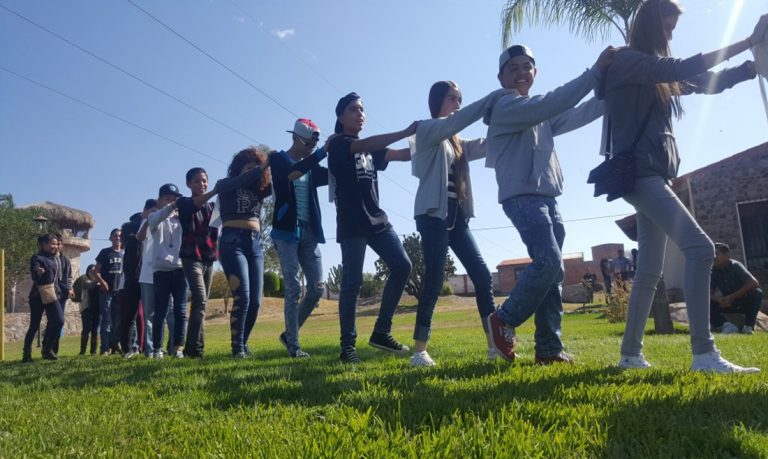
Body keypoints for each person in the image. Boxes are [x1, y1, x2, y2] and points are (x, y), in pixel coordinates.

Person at [602, 0, 766, 372]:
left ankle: (629, 355)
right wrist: (746, 40)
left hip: (651, 178)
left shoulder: (655, 75)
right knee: (701, 250)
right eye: (667, 27)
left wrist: (750, 67)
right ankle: (704, 353)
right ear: (649, 25)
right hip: (640, 178)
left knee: (648, 272)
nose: (670, 35)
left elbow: (704, 82)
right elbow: (685, 66)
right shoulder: (631, 62)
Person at [484, 44, 614, 365]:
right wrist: (594, 73)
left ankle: (548, 350)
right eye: (512, 68)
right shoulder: (505, 106)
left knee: (552, 274)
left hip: (548, 198)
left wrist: (617, 92)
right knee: (549, 261)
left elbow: (578, 113)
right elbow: (558, 100)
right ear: (501, 77)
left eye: (527, 66)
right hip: (522, 197)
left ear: (535, 72)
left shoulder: (539, 113)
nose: (521, 72)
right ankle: (504, 319)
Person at [409, 81, 503, 367]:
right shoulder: (427, 130)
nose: (458, 104)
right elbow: (456, 122)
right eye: (453, 98)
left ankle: (493, 346)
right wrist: (491, 100)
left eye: (461, 99)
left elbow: (489, 144)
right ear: (437, 100)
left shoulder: (458, 142)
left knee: (482, 276)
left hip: (457, 216)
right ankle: (420, 351)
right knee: (435, 278)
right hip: (432, 214)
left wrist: (508, 118)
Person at [328, 92, 417, 364]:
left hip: (377, 220)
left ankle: (381, 332)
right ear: (341, 117)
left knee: (403, 266)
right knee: (352, 284)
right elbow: (366, 144)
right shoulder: (339, 144)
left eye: (362, 109)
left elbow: (401, 154)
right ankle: (348, 347)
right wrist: (405, 130)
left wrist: (431, 139)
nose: (360, 114)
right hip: (352, 222)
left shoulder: (370, 148)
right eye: (354, 109)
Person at [271, 119, 330, 358]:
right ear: (295, 138)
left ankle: (288, 333)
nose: (310, 149)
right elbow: (291, 175)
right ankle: (294, 346)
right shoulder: (278, 159)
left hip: (310, 230)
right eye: (307, 144)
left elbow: (328, 175)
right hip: (286, 231)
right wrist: (322, 153)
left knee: (317, 288)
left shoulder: (311, 162)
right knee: (294, 287)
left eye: (314, 145)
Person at [216, 146, 272, 358]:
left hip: (255, 244)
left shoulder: (261, 188)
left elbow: (287, 177)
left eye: (257, 167)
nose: (253, 171)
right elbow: (242, 180)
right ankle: (237, 348)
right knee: (243, 296)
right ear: (238, 168)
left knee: (256, 302)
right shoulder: (226, 184)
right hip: (232, 241)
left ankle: (243, 343)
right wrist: (264, 166)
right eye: (248, 167)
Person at [177, 167, 219, 358]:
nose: (201, 184)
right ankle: (192, 350)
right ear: (188, 184)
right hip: (191, 257)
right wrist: (215, 191)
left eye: (204, 181)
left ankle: (196, 349)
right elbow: (193, 206)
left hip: (209, 259)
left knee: (200, 303)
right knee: (200, 299)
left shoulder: (213, 207)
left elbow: (218, 227)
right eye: (196, 181)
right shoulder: (183, 203)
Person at [148, 184, 188, 359]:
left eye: (174, 199)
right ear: (159, 200)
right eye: (167, 198)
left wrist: (181, 213)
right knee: (161, 311)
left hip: (180, 269)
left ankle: (178, 347)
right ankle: (157, 348)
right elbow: (156, 219)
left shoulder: (182, 219)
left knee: (180, 311)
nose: (172, 202)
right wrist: (172, 207)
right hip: (161, 271)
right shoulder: (154, 217)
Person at [22, 234, 64, 362]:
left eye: (56, 244)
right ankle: (26, 354)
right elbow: (35, 274)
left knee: (59, 320)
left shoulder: (56, 259)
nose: (54, 246)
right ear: (44, 244)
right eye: (52, 243)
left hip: (52, 294)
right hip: (38, 296)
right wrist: (38, 272)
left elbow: (57, 279)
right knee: (34, 325)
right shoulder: (37, 258)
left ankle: (47, 348)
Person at [120, 203, 153, 359]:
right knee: (130, 315)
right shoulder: (128, 227)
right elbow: (134, 241)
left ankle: (149, 346)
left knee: (149, 315)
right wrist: (146, 221)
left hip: (150, 274)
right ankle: (127, 348)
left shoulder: (157, 225)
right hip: (133, 276)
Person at [710, 243, 763, 335]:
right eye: (712, 255)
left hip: (743, 302)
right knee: (705, 301)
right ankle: (726, 326)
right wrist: (719, 300)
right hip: (728, 304)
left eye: (716, 254)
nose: (713, 257)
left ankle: (748, 327)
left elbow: (754, 283)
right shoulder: (713, 271)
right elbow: (708, 293)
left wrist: (732, 296)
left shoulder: (736, 266)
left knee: (757, 292)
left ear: (727, 255)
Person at [94, 228, 123, 356]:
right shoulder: (105, 252)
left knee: (118, 320)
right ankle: (104, 348)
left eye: (120, 236)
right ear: (110, 238)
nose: (118, 238)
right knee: (106, 320)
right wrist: (102, 282)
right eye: (115, 236)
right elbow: (96, 271)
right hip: (106, 291)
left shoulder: (124, 253)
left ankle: (115, 345)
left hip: (120, 291)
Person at [43, 233, 72, 356]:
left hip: (63, 295)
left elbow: (69, 276)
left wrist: (69, 288)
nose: (57, 246)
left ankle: (54, 349)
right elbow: (55, 280)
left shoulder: (65, 260)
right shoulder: (48, 259)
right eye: (55, 244)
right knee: (53, 321)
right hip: (51, 293)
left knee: (58, 322)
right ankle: (47, 348)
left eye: (59, 244)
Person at [73, 264, 100, 355]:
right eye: (91, 271)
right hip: (86, 308)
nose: (93, 272)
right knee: (86, 329)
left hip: (97, 309)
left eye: (94, 271)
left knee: (95, 330)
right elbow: (89, 285)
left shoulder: (100, 282)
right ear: (87, 272)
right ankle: (82, 350)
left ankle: (93, 351)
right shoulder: (84, 280)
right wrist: (99, 280)